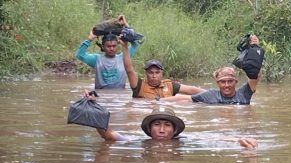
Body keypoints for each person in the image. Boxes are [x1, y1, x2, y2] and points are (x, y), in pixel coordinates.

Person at [84, 91, 258, 149]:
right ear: (149, 129)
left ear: (174, 130)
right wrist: (94, 110)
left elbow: (213, 139)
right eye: (157, 124)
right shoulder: (142, 142)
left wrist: (238, 140)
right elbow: (109, 136)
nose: (161, 130)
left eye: (167, 125)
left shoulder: (181, 143)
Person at [161, 35, 262, 104]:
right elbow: (183, 98)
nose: (227, 85)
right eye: (223, 82)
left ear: (236, 82)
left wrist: (255, 49)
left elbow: (255, 75)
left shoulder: (244, 93)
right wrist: (158, 101)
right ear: (217, 83)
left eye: (230, 81)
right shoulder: (211, 95)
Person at [75, 15, 141, 89]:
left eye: (114, 46)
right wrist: (89, 39)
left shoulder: (124, 58)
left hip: (119, 97)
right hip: (101, 96)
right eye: (108, 46)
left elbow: (136, 43)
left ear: (118, 45)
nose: (112, 49)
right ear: (103, 47)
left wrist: (126, 25)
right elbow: (79, 55)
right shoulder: (97, 59)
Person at [122, 52, 205, 99]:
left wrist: (212, 94)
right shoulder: (139, 86)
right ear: (146, 74)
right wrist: (125, 46)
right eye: (151, 72)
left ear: (162, 73)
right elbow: (129, 69)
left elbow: (191, 90)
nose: (154, 75)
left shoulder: (169, 85)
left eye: (157, 72)